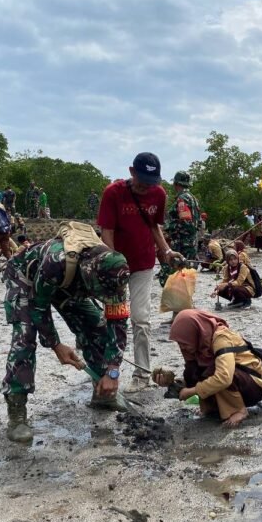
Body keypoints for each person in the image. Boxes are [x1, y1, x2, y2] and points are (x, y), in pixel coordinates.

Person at [1, 228, 132, 442]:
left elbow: (117, 324)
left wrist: (112, 371)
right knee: (24, 338)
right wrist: (56, 345)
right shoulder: (57, 260)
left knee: (97, 325)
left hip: (70, 285)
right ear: (90, 274)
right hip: (26, 279)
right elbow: (38, 307)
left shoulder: (115, 275)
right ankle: (17, 411)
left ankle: (102, 391)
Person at [98, 152, 180, 393]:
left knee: (140, 319)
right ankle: (105, 367)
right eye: (142, 181)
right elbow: (107, 230)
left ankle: (142, 373)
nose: (146, 187)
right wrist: (111, 262)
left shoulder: (159, 193)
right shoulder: (113, 193)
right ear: (132, 172)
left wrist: (165, 249)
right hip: (115, 265)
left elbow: (153, 224)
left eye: (151, 182)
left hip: (143, 263)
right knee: (112, 317)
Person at [154, 309, 262, 427]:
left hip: (252, 385)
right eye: (180, 342)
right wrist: (170, 383)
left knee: (215, 372)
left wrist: (192, 391)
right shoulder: (198, 345)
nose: (182, 346)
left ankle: (238, 410)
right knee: (192, 370)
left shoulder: (221, 338)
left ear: (194, 331)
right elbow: (192, 376)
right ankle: (211, 407)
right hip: (234, 382)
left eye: (184, 342)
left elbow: (224, 377)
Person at [158, 171, 201, 286]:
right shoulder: (193, 199)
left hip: (182, 244)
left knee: (168, 276)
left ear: (176, 184)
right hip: (191, 243)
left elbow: (186, 222)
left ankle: (176, 301)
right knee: (185, 275)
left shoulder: (182, 199)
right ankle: (183, 300)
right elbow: (197, 222)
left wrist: (166, 227)